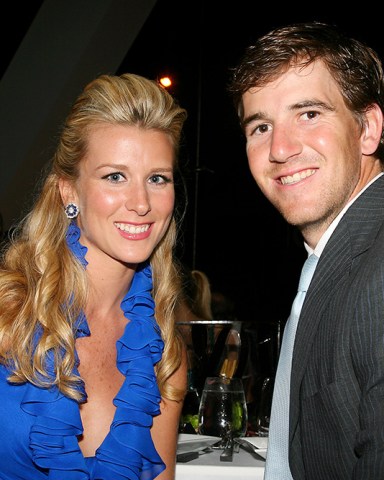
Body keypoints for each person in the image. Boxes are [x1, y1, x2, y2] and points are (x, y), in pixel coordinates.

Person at [0, 72, 188, 480]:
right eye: (114, 176)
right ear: (69, 191)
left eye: (157, 178)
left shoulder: (163, 354)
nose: (140, 203)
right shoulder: (6, 315)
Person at [229, 22, 384, 479]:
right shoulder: (333, 261)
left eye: (309, 113)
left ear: (368, 129)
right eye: (260, 126)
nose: (280, 148)